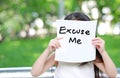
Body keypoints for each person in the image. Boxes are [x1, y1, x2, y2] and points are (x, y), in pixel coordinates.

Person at [31, 12, 118, 78]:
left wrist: (103, 52)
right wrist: (48, 50)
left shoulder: (91, 56)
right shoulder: (59, 56)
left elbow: (113, 75)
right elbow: (35, 73)